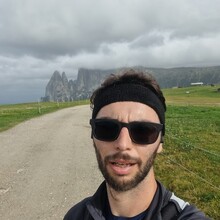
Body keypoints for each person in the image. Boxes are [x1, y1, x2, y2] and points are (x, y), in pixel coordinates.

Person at [64, 69, 209, 220]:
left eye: (143, 131)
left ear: (160, 142)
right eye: (106, 128)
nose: (123, 144)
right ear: (93, 136)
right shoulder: (75, 215)